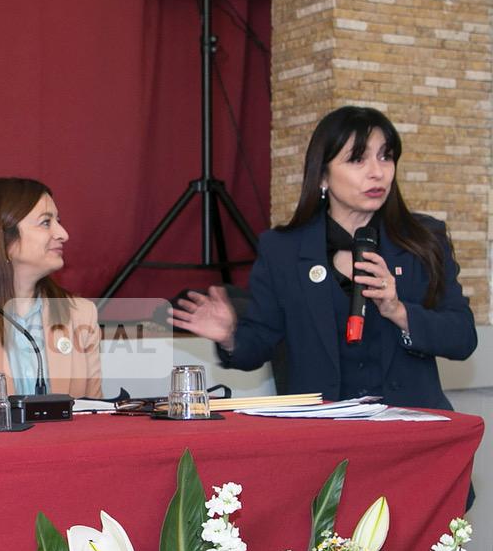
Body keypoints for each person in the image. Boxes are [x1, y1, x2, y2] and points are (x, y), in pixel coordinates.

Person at [169, 105, 476, 410]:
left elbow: (462, 338)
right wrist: (230, 336)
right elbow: (259, 343)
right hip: (323, 433)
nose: (377, 171)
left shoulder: (422, 239)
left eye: (386, 156)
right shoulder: (283, 249)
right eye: (358, 159)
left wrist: (398, 311)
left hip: (411, 429)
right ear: (323, 176)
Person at [0, 177, 102, 403]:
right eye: (46, 223)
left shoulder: (81, 314)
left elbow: (95, 416)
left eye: (58, 221)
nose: (63, 234)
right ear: (3, 238)